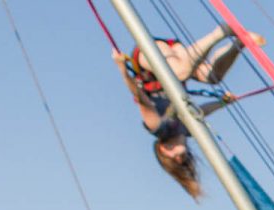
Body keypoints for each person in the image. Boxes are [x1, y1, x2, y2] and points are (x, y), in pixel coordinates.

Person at [111, 25, 262, 199]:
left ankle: (221, 32)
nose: (178, 158)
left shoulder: (159, 127)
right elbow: (201, 111)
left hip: (147, 59)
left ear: (162, 148)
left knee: (181, 71)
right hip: (175, 60)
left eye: (172, 157)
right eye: (181, 161)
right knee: (212, 77)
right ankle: (239, 43)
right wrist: (222, 102)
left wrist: (122, 69)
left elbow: (139, 97)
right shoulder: (188, 129)